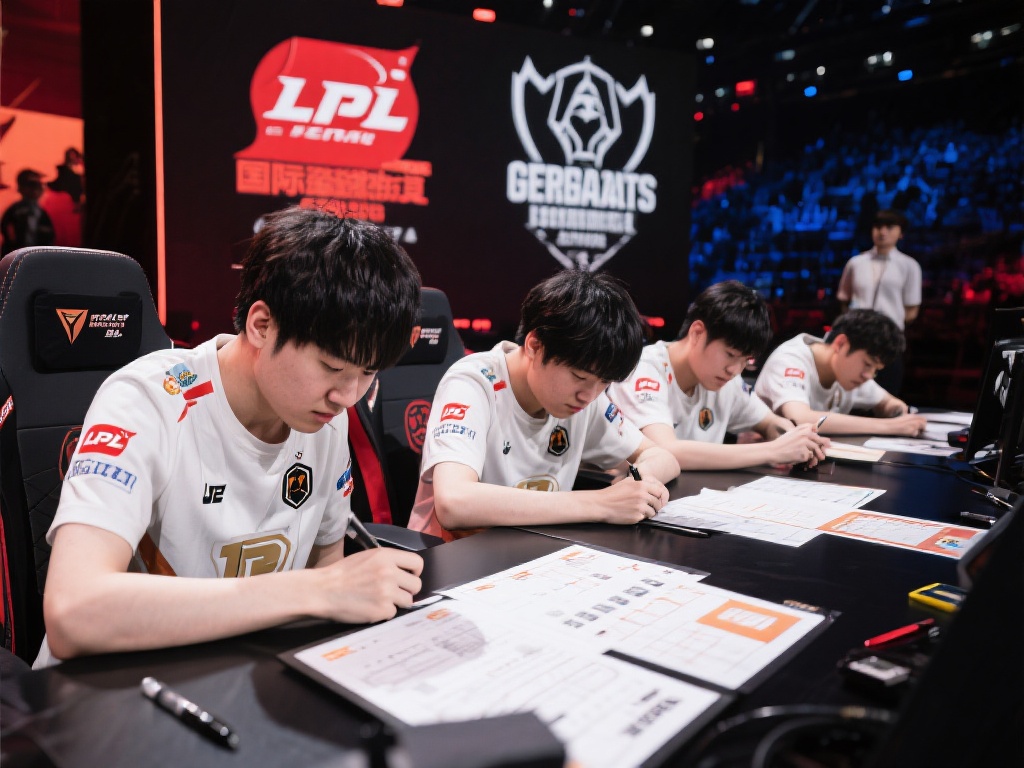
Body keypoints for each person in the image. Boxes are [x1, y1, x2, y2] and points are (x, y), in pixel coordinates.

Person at [37, 206, 424, 665]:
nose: (347, 396)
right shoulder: (147, 401)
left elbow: (328, 565)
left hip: (242, 673)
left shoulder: (326, 416)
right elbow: (72, 613)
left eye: (368, 373)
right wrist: (315, 590)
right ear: (262, 326)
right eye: (332, 366)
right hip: (113, 684)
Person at [407, 270, 680, 542]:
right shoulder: (474, 383)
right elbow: (454, 502)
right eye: (579, 377)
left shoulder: (586, 398)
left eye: (604, 382)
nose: (589, 395)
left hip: (533, 551)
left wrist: (636, 485)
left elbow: (662, 457)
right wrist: (602, 503)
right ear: (535, 345)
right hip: (450, 552)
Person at [607, 281, 830, 471]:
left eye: (745, 360)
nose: (735, 370)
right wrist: (773, 450)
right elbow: (665, 450)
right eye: (730, 354)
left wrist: (795, 438)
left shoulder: (726, 380)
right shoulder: (644, 370)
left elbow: (770, 423)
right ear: (697, 333)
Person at [754, 308, 928, 436]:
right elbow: (800, 418)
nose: (868, 376)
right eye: (867, 364)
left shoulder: (846, 371)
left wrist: (896, 411)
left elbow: (887, 402)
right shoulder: (790, 360)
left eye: (876, 370)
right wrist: (891, 427)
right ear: (841, 344)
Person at [836, 209, 921, 394]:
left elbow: (912, 310)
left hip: (889, 340)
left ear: (901, 233)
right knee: (849, 392)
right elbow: (844, 299)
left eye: (889, 227)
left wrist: (887, 327)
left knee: (886, 391)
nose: (882, 232)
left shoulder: (909, 265)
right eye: (878, 226)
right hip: (856, 337)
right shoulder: (856, 262)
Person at [1, 169, 56, 256]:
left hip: (38, 256)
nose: (37, 189)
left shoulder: (43, 213)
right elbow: (5, 228)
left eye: (39, 185)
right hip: (17, 254)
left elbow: (50, 236)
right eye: (31, 185)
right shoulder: (16, 210)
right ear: (21, 188)